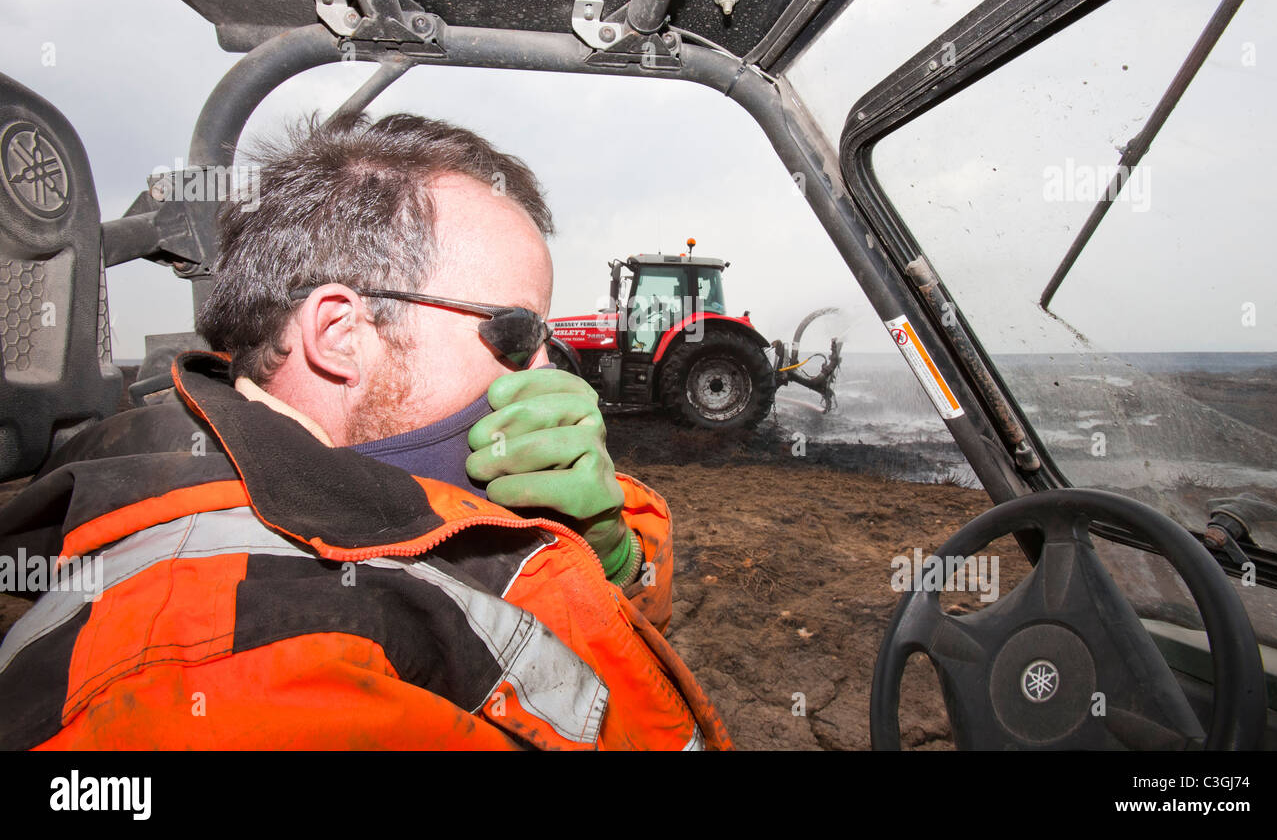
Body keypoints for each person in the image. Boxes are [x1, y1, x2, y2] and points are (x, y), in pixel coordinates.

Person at [0, 113, 731, 750]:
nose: (549, 373)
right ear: (340, 334)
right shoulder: (215, 669)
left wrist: (609, 552)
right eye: (515, 332)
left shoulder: (365, 507)